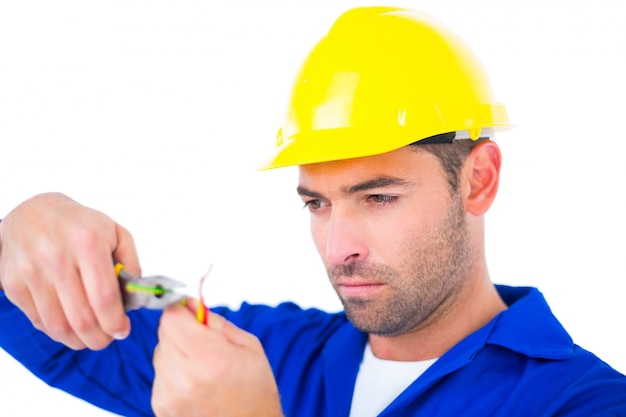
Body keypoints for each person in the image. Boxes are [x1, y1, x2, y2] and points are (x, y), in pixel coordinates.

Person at [0, 6, 624, 416]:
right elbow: (60, 334)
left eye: (378, 196)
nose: (337, 248)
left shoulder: (582, 403)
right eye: (317, 204)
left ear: (479, 181)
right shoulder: (265, 352)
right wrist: (22, 235)